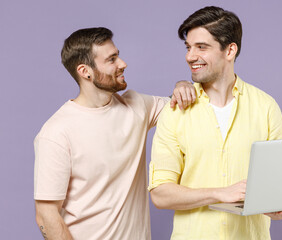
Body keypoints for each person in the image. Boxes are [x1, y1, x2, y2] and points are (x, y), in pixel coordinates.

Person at [148, 6, 282, 239]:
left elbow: (274, 188)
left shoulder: (266, 107)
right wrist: (220, 193)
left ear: (230, 50)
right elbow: (161, 194)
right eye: (188, 47)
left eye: (201, 47)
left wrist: (278, 208)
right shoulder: (175, 111)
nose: (190, 56)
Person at [34, 27, 195, 240]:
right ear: (85, 71)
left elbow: (182, 102)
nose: (122, 64)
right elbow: (46, 214)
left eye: (118, 55)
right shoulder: (56, 132)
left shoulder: (138, 106)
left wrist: (182, 84)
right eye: (112, 60)